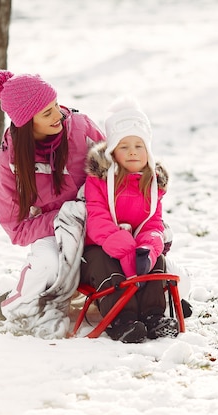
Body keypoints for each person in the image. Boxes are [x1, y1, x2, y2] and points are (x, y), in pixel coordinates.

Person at [0, 70, 105, 338]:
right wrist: (67, 217)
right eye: (47, 113)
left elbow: (114, 174)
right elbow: (16, 229)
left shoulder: (82, 129)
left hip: (97, 220)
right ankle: (19, 301)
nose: (59, 115)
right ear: (26, 123)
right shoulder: (8, 162)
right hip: (53, 231)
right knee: (49, 263)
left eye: (56, 105)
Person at [80, 96, 179, 343]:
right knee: (105, 264)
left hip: (137, 245)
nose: (133, 151)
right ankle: (121, 319)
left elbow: (153, 222)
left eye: (139, 145)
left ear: (149, 150)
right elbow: (97, 215)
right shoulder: (99, 179)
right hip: (101, 246)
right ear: (113, 151)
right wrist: (119, 243)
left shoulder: (153, 183)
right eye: (124, 146)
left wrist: (149, 245)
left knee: (157, 260)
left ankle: (154, 316)